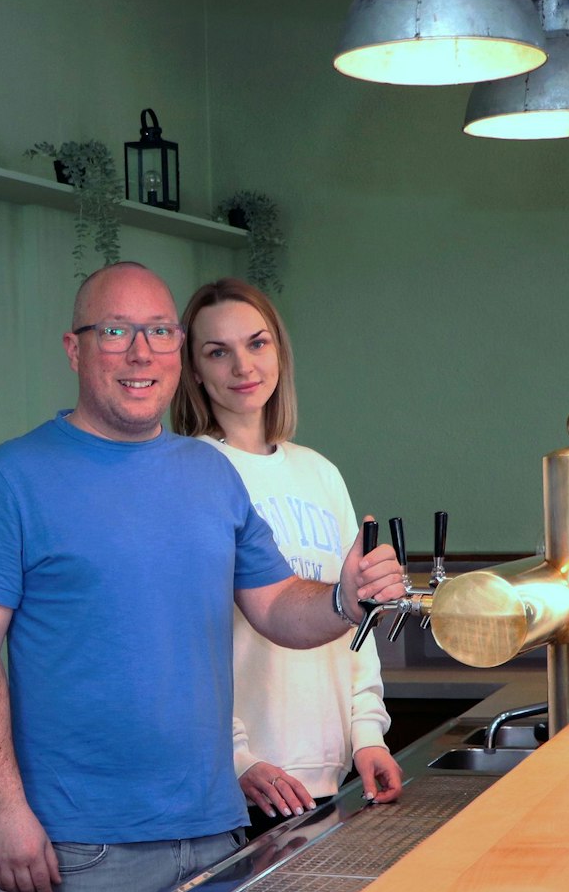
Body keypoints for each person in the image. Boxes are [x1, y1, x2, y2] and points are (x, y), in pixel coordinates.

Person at [0, 262, 408, 892]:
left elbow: (279, 605)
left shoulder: (208, 474)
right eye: (116, 331)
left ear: (176, 349)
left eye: (158, 331)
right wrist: (3, 807)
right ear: (74, 348)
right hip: (84, 851)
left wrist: (344, 597)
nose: (139, 352)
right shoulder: (14, 476)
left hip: (214, 836)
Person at [171, 278, 402, 833]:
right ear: (194, 370)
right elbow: (182, 639)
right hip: (245, 787)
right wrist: (235, 758)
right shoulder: (187, 471)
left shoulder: (320, 472)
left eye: (257, 343)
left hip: (330, 777)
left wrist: (367, 735)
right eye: (217, 352)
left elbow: (356, 616)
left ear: (279, 351)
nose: (242, 366)